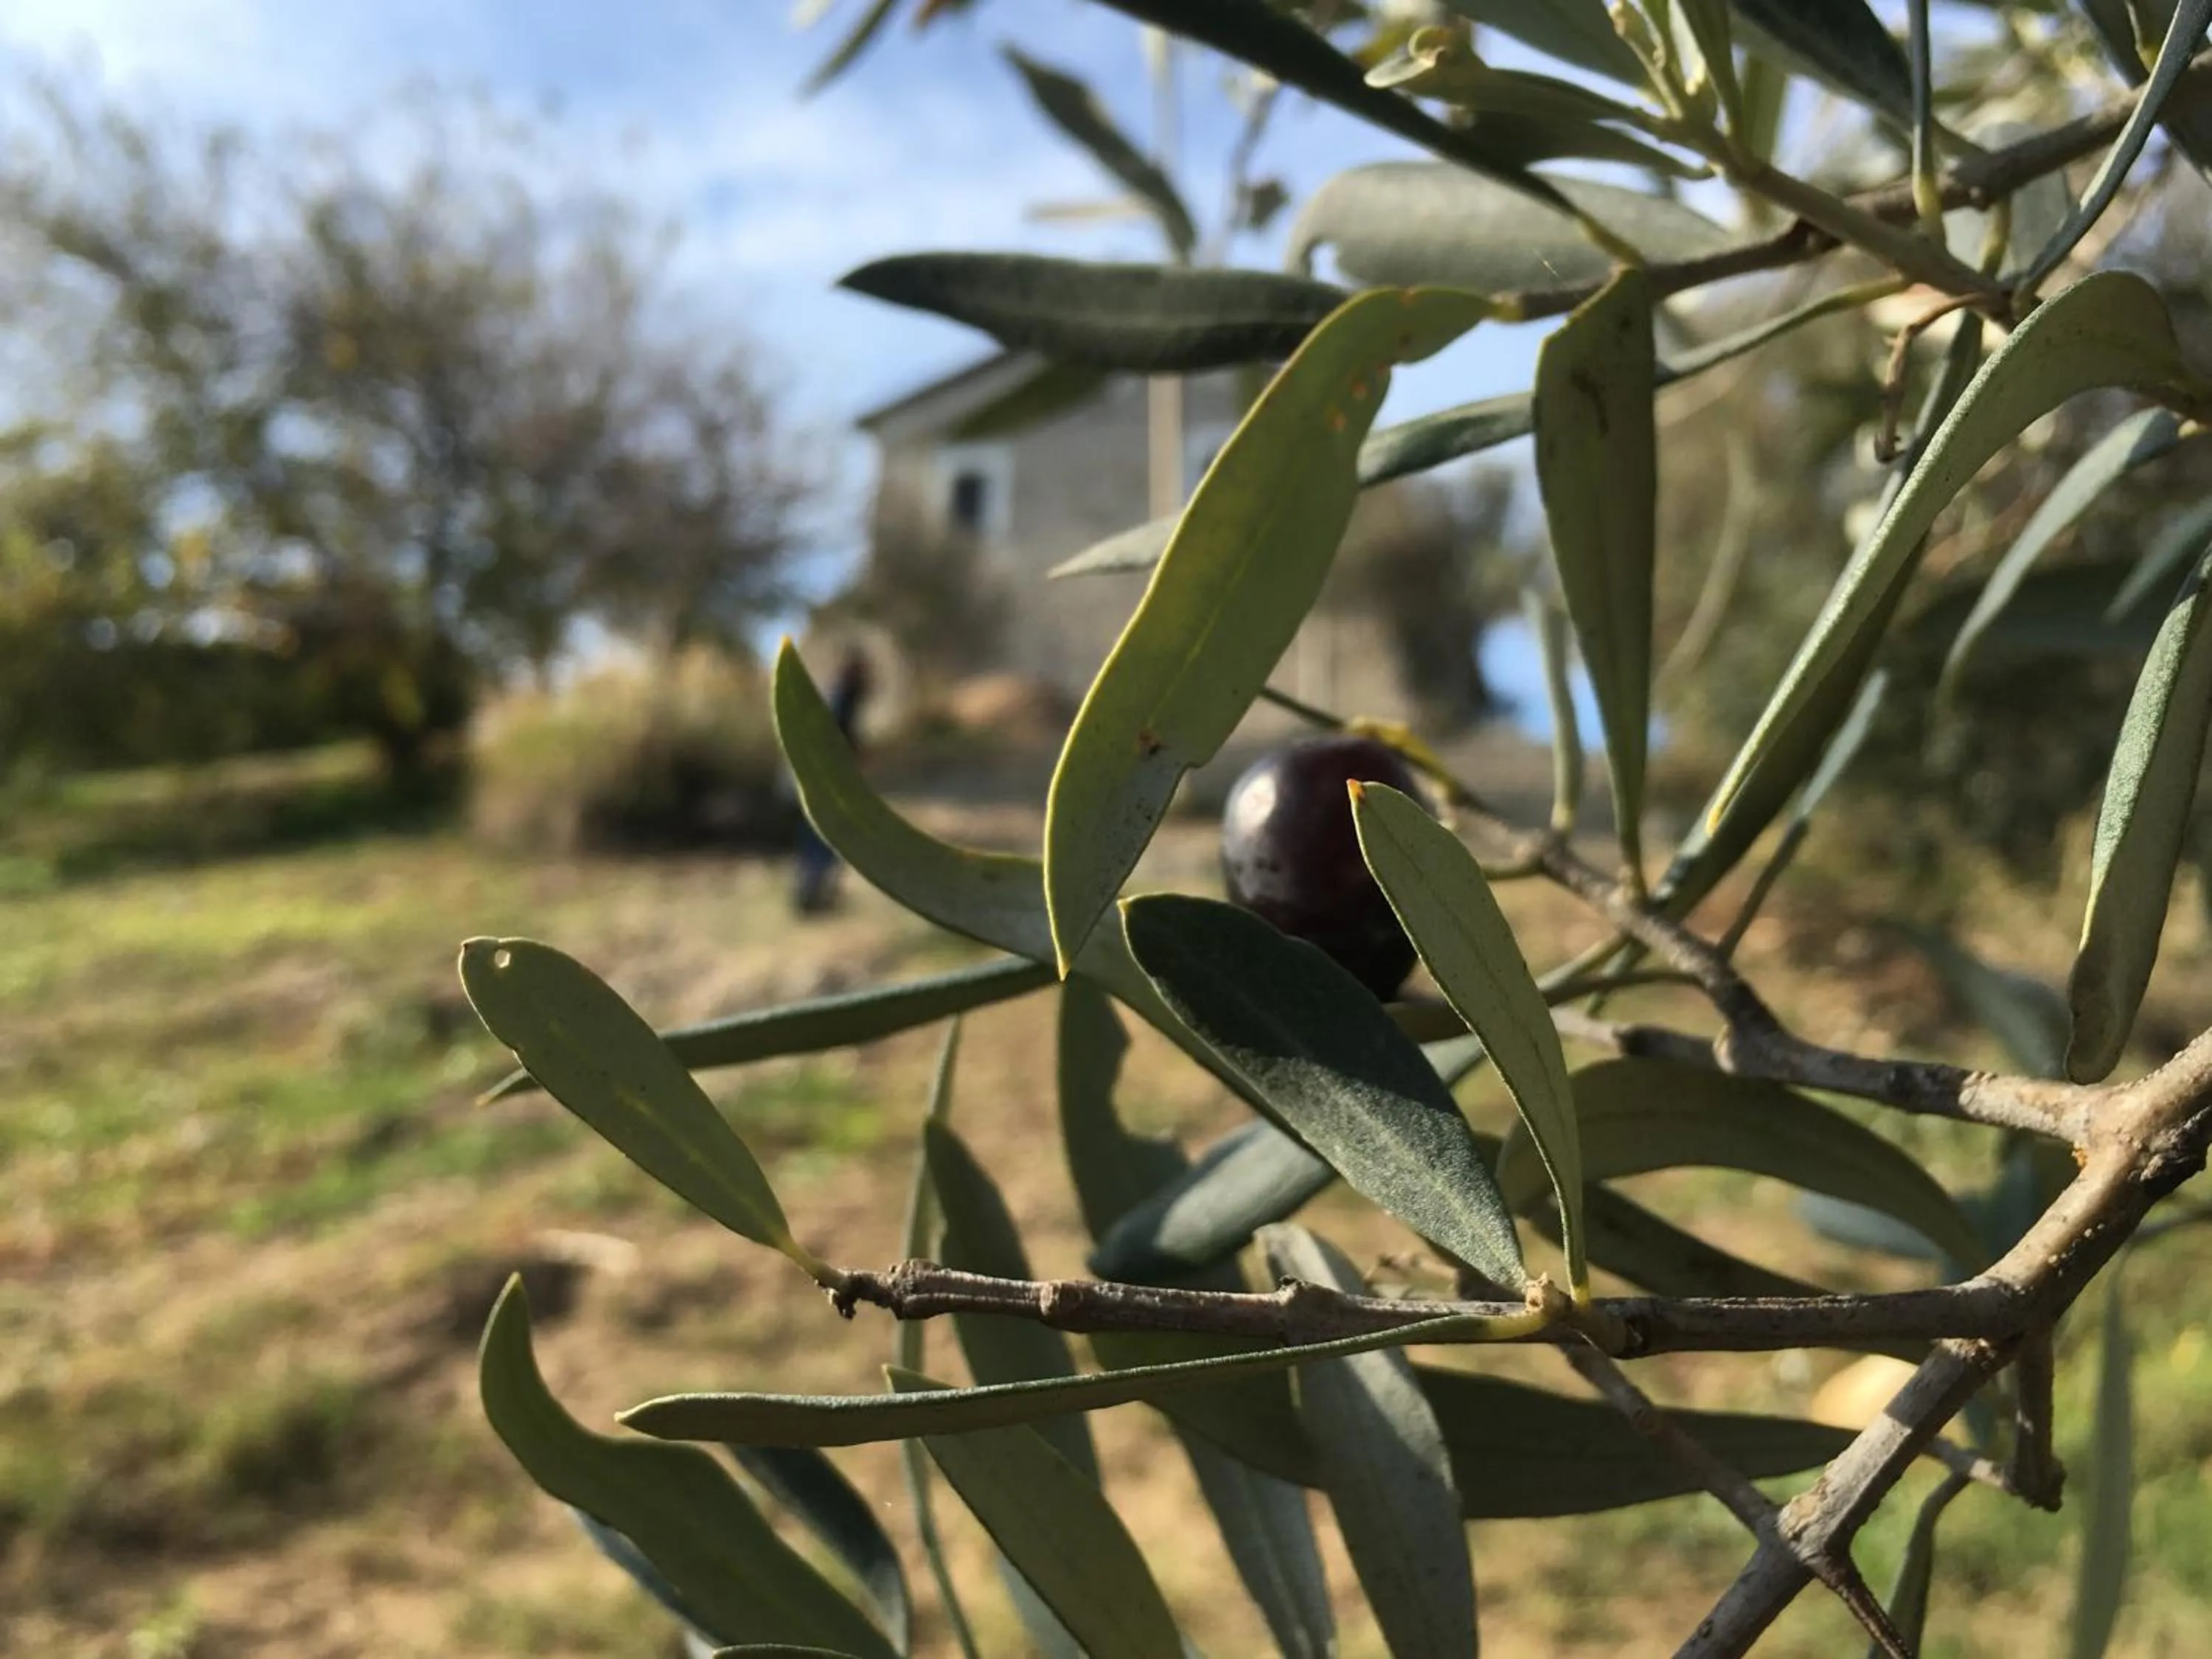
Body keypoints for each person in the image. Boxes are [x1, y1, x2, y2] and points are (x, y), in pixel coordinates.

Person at [791, 644, 874, 914]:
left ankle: (816, 897)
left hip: (826, 782)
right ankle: (811, 898)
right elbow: (833, 739)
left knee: (826, 843)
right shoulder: (841, 699)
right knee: (824, 840)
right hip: (826, 785)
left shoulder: (842, 697)